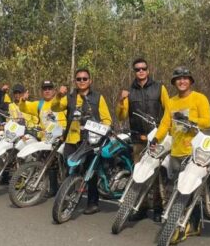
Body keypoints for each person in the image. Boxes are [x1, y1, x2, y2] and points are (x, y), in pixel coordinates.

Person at [152, 66, 210, 238]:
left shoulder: (199, 98)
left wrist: (190, 120)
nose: (182, 81)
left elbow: (207, 121)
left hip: (195, 152)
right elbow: (165, 124)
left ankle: (194, 224)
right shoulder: (171, 102)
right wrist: (156, 139)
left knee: (192, 189)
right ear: (174, 83)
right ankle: (179, 222)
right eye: (178, 79)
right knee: (179, 188)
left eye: (185, 78)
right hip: (177, 152)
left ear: (190, 81)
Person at [52, 69, 112, 214]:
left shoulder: (98, 97)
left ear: (90, 81)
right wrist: (59, 95)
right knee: (70, 170)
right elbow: (55, 107)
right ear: (75, 81)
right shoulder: (69, 97)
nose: (82, 81)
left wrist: (104, 129)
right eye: (79, 79)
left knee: (90, 172)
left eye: (85, 79)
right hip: (72, 139)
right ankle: (68, 198)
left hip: (91, 140)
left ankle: (93, 203)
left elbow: (107, 119)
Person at [116, 57, 169, 218]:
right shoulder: (129, 91)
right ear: (134, 71)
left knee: (158, 174)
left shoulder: (159, 87)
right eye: (137, 69)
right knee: (140, 174)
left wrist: (162, 133)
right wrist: (121, 100)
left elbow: (168, 111)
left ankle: (159, 209)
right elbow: (121, 116)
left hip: (157, 139)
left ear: (148, 70)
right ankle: (142, 207)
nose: (140, 71)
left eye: (143, 68)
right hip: (138, 138)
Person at [15, 80, 68, 196]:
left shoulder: (62, 101)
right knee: (50, 163)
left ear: (54, 90)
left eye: (49, 88)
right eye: (45, 89)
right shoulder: (38, 104)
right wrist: (23, 100)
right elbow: (24, 108)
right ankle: (53, 188)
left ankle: (69, 188)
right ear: (42, 91)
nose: (47, 91)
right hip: (46, 140)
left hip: (62, 138)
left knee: (67, 163)